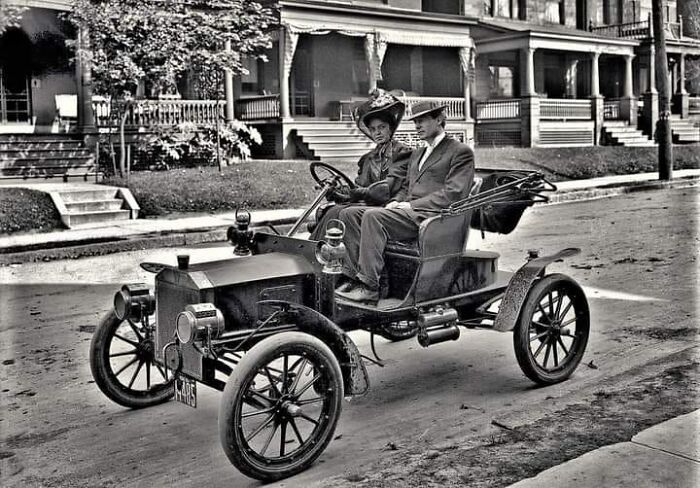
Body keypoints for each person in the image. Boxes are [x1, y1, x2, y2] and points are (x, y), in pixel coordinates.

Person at [335, 100, 475, 303]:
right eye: (415, 121)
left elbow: (454, 194)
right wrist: (396, 201)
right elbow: (407, 187)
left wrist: (411, 205)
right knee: (349, 213)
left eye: (422, 121)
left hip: (435, 216)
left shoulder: (460, 151)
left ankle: (370, 286)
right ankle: (352, 275)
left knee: (373, 217)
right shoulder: (419, 152)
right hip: (410, 212)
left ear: (439, 119)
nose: (417, 126)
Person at [309, 90, 411, 241]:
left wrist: (354, 193)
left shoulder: (402, 153)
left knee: (345, 214)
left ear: (390, 128)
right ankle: (316, 252)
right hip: (369, 206)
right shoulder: (368, 159)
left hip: (390, 207)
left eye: (382, 127)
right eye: (373, 129)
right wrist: (334, 191)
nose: (377, 133)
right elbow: (357, 187)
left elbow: (385, 190)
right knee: (332, 211)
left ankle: (345, 260)